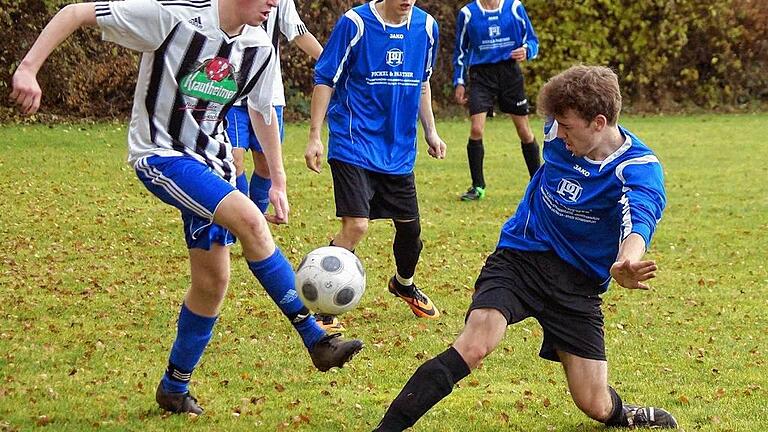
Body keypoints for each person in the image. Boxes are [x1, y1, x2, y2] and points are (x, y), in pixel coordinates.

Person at [9, 0, 363, 415]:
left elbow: (263, 111)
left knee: (212, 283)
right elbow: (74, 12)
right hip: (162, 156)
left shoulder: (258, 45)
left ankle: (174, 387)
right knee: (250, 220)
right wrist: (29, 68)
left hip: (214, 165)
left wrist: (280, 180)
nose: (274, 3)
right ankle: (315, 338)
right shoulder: (172, 17)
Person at [373, 65, 679, 431]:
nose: (557, 134)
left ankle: (622, 413)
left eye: (568, 127)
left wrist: (628, 260)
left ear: (599, 122)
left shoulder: (638, 168)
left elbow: (640, 217)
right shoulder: (556, 132)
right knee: (475, 342)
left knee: (594, 403)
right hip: (521, 257)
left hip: (577, 285)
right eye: (557, 124)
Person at [304, 0, 447, 325]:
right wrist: (315, 134)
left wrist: (431, 132)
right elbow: (325, 78)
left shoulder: (426, 28)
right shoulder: (355, 24)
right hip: (353, 142)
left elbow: (422, 82)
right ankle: (326, 307)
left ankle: (404, 285)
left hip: (398, 150)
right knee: (356, 226)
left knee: (411, 232)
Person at [226, 0, 322, 213]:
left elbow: (299, 33)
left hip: (269, 95)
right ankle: (241, 220)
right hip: (230, 93)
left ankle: (255, 220)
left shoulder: (280, 2)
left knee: (267, 166)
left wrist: (330, 62)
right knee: (233, 161)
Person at [452, 0, 541, 201]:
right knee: (476, 129)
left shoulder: (513, 7)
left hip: (509, 74)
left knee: (524, 132)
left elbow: (532, 40)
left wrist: (527, 50)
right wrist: (459, 81)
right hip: (481, 75)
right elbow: (460, 51)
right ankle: (478, 187)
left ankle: (538, 184)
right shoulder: (468, 13)